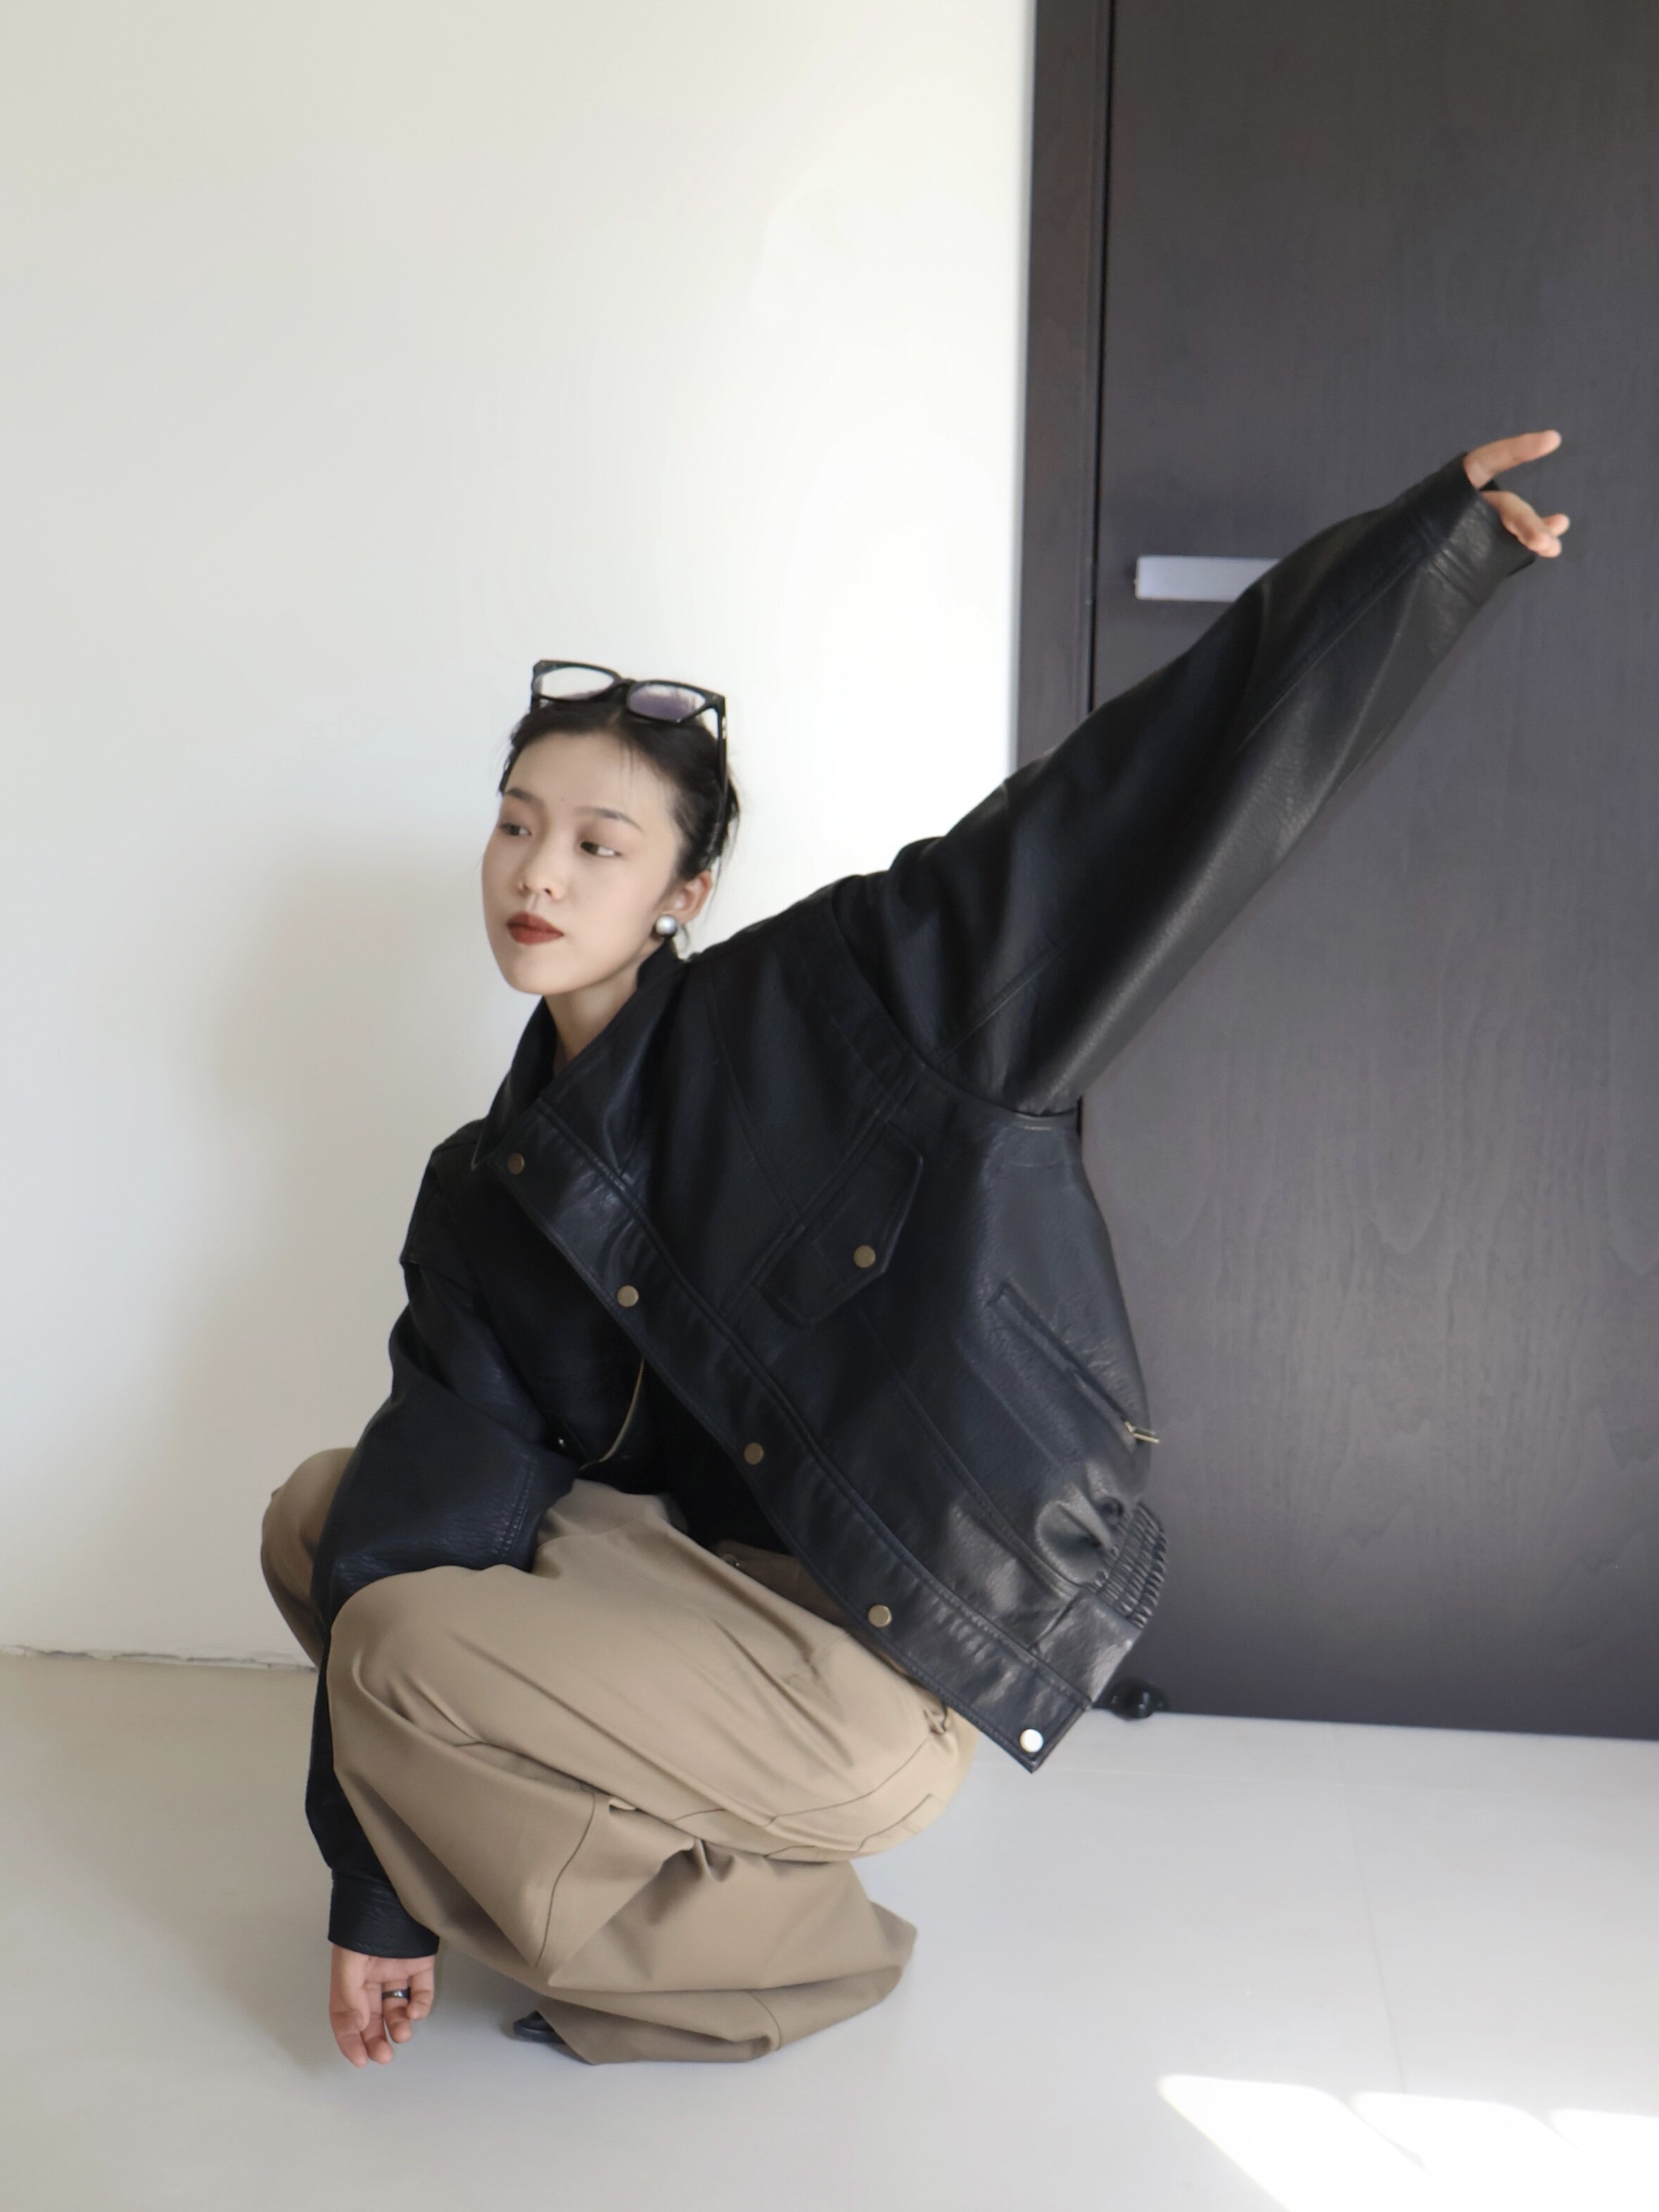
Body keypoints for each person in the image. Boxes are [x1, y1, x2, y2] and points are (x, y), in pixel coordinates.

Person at [261, 431, 1567, 2069]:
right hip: (698, 1613)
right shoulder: (486, 1188)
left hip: (867, 1665)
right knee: (324, 1524)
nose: (537, 873)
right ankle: (677, 1914)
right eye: (516, 826)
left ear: (686, 888)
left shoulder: (849, 1008)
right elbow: (428, 1499)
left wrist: (1417, 559)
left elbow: (1130, 807)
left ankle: (782, 1946)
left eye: (599, 843)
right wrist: (371, 1898)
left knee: (398, 1644)